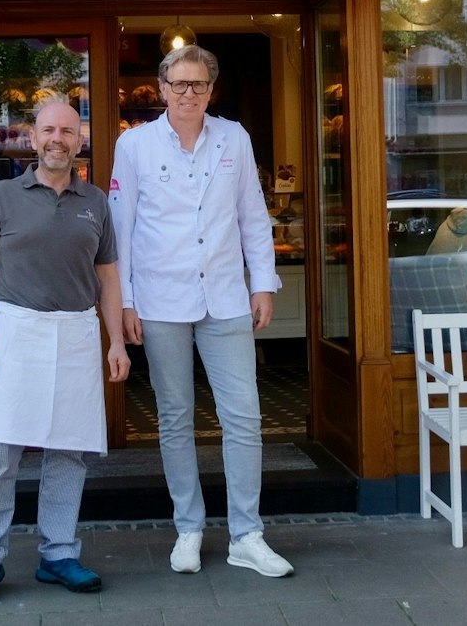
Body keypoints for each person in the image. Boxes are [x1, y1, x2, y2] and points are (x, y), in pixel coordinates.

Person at [110, 44, 294, 579]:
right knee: (174, 416)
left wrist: (263, 283)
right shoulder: (135, 145)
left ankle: (246, 534)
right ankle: (188, 527)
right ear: (162, 89)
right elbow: (121, 226)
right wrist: (124, 300)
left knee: (244, 416)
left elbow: (253, 216)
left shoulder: (233, 137)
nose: (188, 93)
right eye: (178, 84)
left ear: (211, 91)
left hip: (225, 296)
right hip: (161, 298)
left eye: (198, 85)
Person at [0, 98, 131, 611]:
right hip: (17, 332)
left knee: (69, 452)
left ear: (80, 141)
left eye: (68, 131)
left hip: (77, 334)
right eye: (49, 130)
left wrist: (116, 339)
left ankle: (58, 553)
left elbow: (107, 276)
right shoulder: (3, 196)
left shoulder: (95, 200)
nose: (58, 139)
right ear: (33, 139)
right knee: (1, 454)